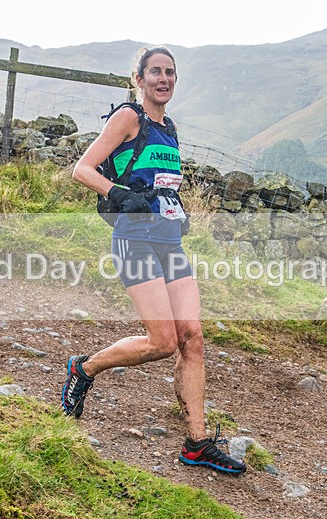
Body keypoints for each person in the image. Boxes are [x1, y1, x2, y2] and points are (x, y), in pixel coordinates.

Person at [62, 46, 246, 474]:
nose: (164, 79)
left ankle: (197, 442)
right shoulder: (129, 118)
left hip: (169, 243)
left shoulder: (171, 128)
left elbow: (161, 183)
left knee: (193, 337)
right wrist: (121, 195)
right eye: (155, 72)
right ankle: (83, 367)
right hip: (135, 242)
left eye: (170, 72)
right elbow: (82, 169)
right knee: (162, 342)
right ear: (140, 79)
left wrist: (175, 210)